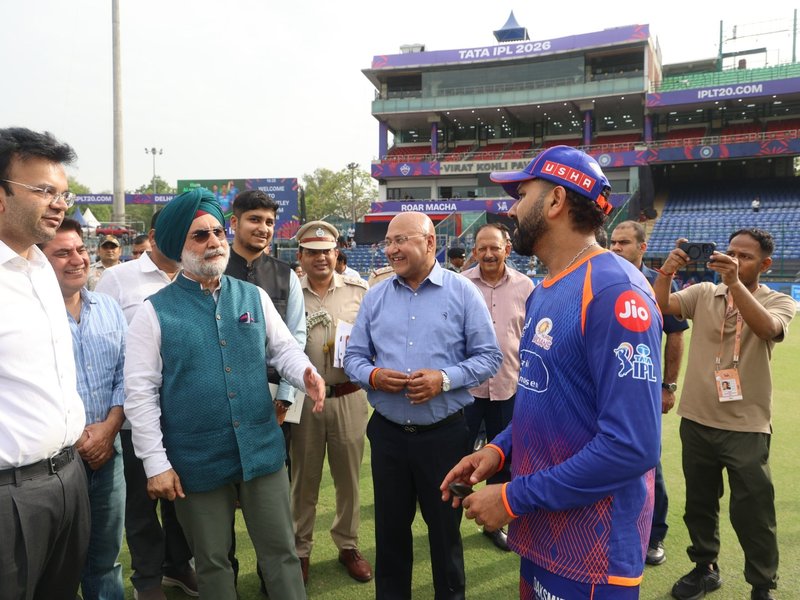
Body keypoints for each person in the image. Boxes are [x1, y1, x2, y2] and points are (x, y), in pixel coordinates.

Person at [442, 145, 662, 600]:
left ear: (556, 202)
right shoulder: (545, 288)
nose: (512, 208)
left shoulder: (615, 293)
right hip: (544, 533)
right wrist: (500, 452)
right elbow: (546, 396)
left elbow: (631, 446)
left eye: (522, 195)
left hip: (594, 551)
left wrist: (511, 498)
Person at [124, 189, 326, 600]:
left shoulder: (253, 296)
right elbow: (140, 394)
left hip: (261, 448)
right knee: (213, 561)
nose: (214, 241)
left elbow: (284, 348)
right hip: (195, 457)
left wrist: (305, 373)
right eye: (200, 235)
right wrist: (156, 464)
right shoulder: (154, 311)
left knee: (281, 552)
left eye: (217, 231)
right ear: (179, 245)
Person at [344, 211, 502, 600]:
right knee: (390, 532)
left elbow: (489, 357)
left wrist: (443, 379)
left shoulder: (463, 292)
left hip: (445, 436)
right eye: (389, 241)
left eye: (402, 240)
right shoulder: (376, 295)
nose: (392, 248)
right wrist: (375, 376)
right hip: (388, 435)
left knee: (445, 533)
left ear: (430, 243)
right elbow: (353, 359)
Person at [653, 229, 796, 600]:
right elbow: (662, 308)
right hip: (697, 419)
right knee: (699, 504)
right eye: (730, 253)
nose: (733, 260)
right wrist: (666, 273)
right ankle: (705, 568)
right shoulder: (703, 293)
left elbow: (768, 328)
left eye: (744, 257)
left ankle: (762, 585)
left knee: (754, 512)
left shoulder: (778, 300)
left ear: (764, 264)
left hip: (746, 425)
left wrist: (734, 284)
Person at [0, 127, 90, 600]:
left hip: (69, 478)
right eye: (42, 190)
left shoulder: (40, 267)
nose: (58, 203)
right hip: (10, 496)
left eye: (62, 192)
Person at [96, 210, 197, 600]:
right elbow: (106, 351)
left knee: (182, 501)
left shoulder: (197, 276)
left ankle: (177, 567)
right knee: (141, 503)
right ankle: (148, 581)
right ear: (156, 236)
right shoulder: (118, 279)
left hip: (186, 415)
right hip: (138, 416)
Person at [40, 218, 128, 600]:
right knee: (51, 567)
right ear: (39, 261)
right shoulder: (30, 317)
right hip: (53, 464)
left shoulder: (108, 307)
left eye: (80, 250)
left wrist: (108, 429)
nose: (76, 259)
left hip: (109, 455)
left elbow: (129, 374)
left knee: (105, 560)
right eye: (62, 253)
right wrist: (80, 437)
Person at [224, 189, 306, 590]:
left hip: (271, 405)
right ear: (234, 223)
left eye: (270, 222)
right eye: (254, 219)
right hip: (217, 406)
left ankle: (272, 578)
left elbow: (295, 338)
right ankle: (224, 575)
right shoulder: (213, 267)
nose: (263, 228)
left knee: (271, 501)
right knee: (220, 502)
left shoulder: (285, 273)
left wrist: (286, 400)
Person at [292, 221, 373, 584]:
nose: (321, 258)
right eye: (312, 252)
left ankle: (347, 545)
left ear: (337, 253)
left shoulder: (359, 291)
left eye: (327, 251)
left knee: (348, 480)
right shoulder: (291, 292)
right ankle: (300, 550)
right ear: (301, 257)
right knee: (303, 480)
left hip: (348, 396)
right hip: (304, 400)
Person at [610, 220, 689, 567]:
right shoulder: (602, 276)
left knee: (648, 465)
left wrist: (668, 387)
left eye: (624, 243)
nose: (615, 248)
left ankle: (654, 534)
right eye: (612, 242)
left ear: (642, 248)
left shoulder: (656, 284)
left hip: (642, 393)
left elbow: (675, 334)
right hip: (607, 391)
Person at [460, 222, 533, 552]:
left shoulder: (526, 287)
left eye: (495, 247)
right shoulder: (460, 285)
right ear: (474, 251)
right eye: (482, 248)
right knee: (457, 454)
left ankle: (495, 521)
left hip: (508, 387)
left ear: (507, 248)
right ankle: (448, 517)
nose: (488, 254)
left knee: (502, 458)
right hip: (466, 391)